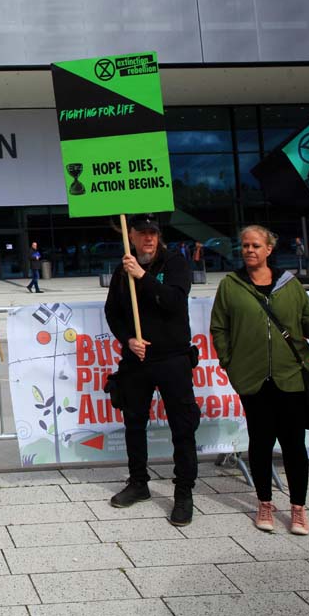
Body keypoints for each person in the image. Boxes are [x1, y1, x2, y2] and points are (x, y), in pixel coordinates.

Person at [210, 225, 309, 535]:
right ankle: (264, 503)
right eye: (245, 245)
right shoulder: (230, 285)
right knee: (261, 443)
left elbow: (307, 323)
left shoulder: (289, 284)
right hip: (253, 380)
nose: (249, 250)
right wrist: (231, 364)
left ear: (269, 250)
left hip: (290, 376)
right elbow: (219, 328)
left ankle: (298, 508)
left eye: (255, 245)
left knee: (294, 445)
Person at [103, 213, 200, 527]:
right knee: (134, 422)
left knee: (182, 426)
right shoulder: (122, 270)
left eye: (153, 233)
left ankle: (183, 491)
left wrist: (142, 276)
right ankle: (138, 482)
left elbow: (173, 301)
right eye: (142, 233)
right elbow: (113, 312)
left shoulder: (174, 263)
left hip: (172, 357)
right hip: (137, 360)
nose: (148, 239)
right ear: (131, 235)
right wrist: (127, 339)